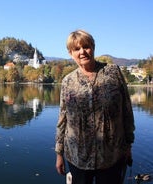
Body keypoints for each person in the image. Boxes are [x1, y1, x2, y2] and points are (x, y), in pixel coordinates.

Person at [55, 29, 135, 184]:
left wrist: (128, 144)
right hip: (78, 157)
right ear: (71, 53)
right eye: (77, 49)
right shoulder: (68, 81)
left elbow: (127, 110)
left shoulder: (113, 73)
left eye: (86, 46)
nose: (82, 52)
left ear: (93, 47)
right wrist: (59, 153)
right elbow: (63, 118)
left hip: (111, 156)